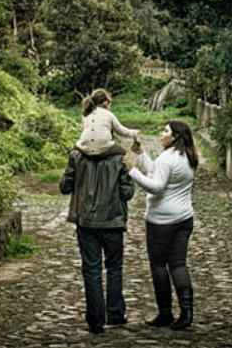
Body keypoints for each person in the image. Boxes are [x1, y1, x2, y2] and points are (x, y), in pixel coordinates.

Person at [128, 120, 199, 330]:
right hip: (184, 218)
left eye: (166, 131)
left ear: (175, 136)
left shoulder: (166, 159)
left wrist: (133, 171)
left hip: (161, 221)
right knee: (178, 263)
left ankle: (165, 312)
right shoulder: (188, 155)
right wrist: (141, 155)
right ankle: (187, 312)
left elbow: (157, 186)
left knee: (159, 265)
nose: (162, 134)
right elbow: (160, 174)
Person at [60, 143, 135, 334]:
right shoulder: (119, 158)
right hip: (113, 221)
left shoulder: (76, 156)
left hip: (86, 222)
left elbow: (65, 187)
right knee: (114, 267)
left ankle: (95, 320)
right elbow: (127, 193)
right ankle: (116, 314)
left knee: (91, 270)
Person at [75, 88, 141, 157]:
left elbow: (83, 130)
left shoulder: (86, 114)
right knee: (122, 151)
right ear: (106, 103)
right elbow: (121, 131)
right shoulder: (108, 114)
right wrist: (135, 133)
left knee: (75, 150)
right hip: (103, 148)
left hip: (85, 148)